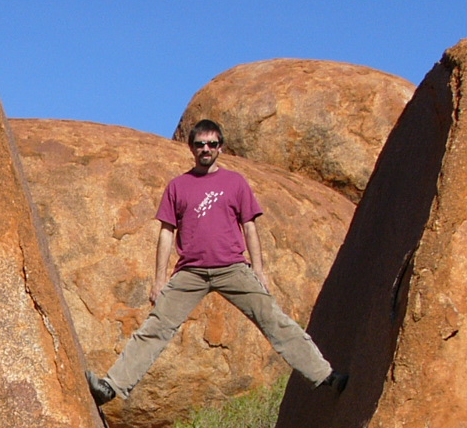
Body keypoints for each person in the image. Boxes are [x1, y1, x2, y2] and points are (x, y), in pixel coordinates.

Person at [86, 119, 346, 406]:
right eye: (200, 144)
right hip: (190, 272)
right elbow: (166, 233)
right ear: (192, 148)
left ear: (220, 147)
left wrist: (259, 270)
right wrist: (158, 279)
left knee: (273, 319)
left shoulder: (235, 182)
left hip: (233, 267)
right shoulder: (178, 186)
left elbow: (249, 226)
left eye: (211, 144)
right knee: (156, 327)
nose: (205, 149)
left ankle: (324, 376)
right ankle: (111, 387)